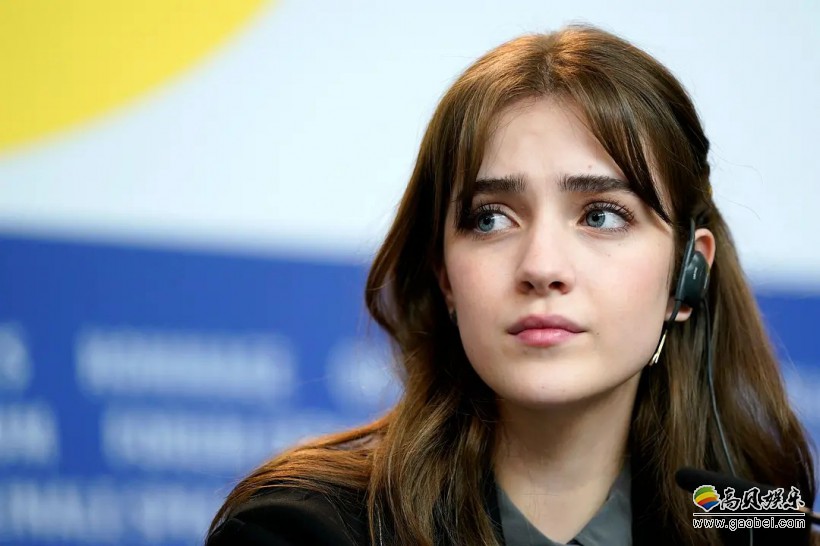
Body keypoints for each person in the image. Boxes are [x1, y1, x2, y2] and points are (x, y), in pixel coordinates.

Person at [205, 24, 817, 546]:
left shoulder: (763, 528)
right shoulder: (300, 532)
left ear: (688, 274)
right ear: (445, 276)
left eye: (601, 215)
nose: (541, 266)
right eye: (491, 219)